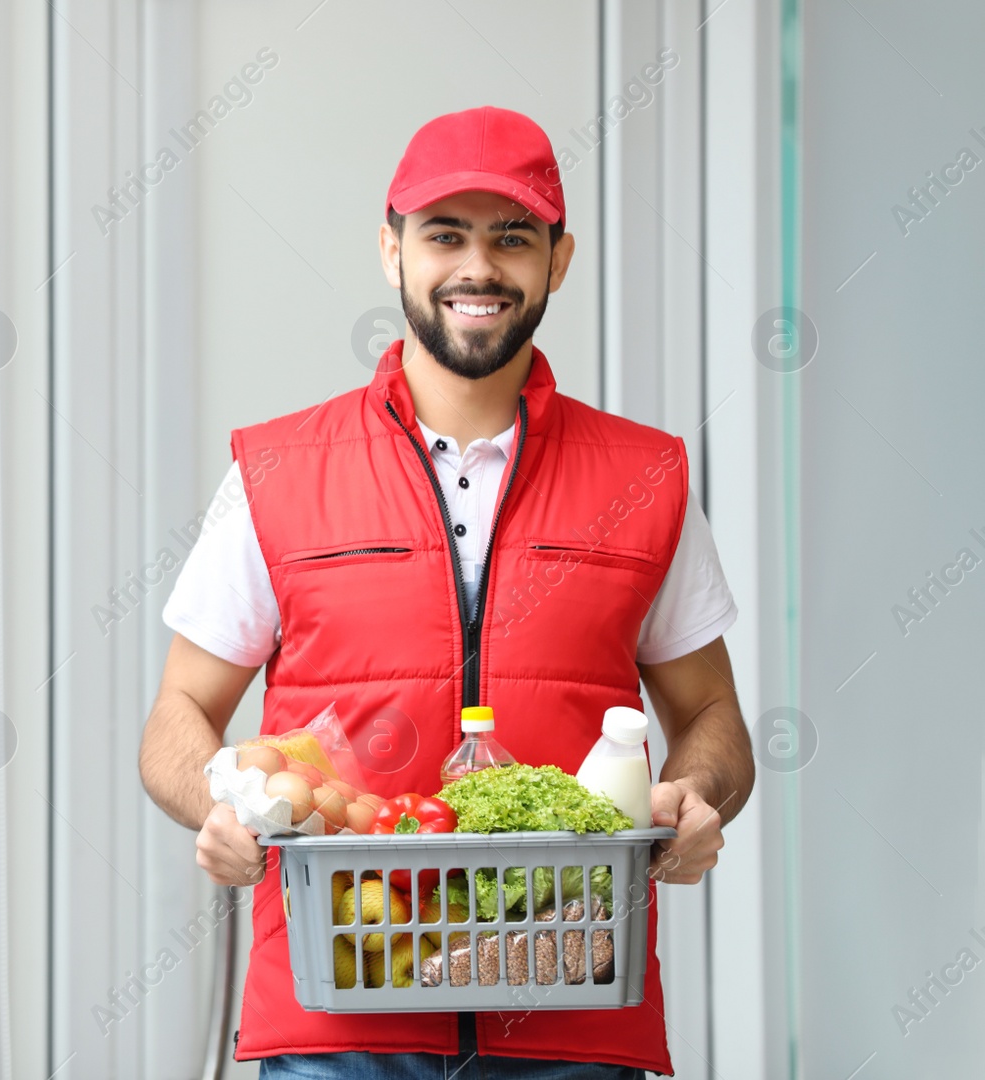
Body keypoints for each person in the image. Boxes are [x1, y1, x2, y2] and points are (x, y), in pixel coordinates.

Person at [137, 106, 755, 1078]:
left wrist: (697, 797)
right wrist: (223, 805)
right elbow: (178, 713)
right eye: (444, 235)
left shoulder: (644, 477)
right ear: (390, 252)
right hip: (337, 1019)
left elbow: (712, 714)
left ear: (559, 260)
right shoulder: (280, 472)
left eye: (512, 238)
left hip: (569, 1015)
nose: (478, 267)